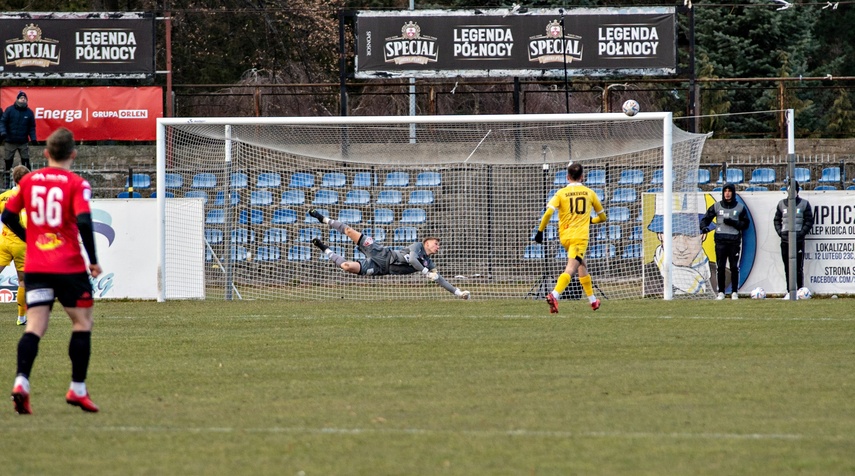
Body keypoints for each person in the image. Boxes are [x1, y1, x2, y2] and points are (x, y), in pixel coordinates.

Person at [2, 127, 102, 415]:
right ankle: (77, 389)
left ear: (45, 154)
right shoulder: (77, 183)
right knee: (82, 323)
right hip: (68, 265)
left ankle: (21, 382)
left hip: (37, 265)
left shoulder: (30, 181)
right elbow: (83, 222)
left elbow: (7, 215)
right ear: (73, 153)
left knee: (35, 326)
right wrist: (93, 260)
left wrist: (27, 236)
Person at [307, 208, 471, 299]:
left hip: (380, 268)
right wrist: (426, 272)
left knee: (346, 266)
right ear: (427, 242)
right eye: (436, 244)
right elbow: (413, 260)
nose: (438, 247)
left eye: (438, 246)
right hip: (380, 252)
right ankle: (322, 218)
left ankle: (323, 248)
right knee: (350, 231)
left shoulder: (429, 263)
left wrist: (458, 292)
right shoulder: (418, 247)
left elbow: (440, 279)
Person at [534, 162, 606, 313]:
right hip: (580, 237)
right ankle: (554, 294)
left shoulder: (560, 193)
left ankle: (593, 301)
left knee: (582, 265)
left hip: (565, 236)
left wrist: (540, 231)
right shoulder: (589, 193)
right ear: (582, 177)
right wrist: (590, 220)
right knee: (571, 268)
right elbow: (603, 217)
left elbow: (547, 213)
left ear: (567, 177)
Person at [699, 183, 750, 300]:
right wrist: (704, 228)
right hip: (720, 241)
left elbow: (745, 224)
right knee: (720, 267)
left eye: (729, 191)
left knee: (733, 267)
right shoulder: (717, 206)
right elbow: (705, 219)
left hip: (734, 241)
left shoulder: (740, 208)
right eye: (725, 191)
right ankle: (721, 291)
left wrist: (733, 222)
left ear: (733, 193)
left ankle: (734, 292)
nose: (727, 193)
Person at [773, 180, 814, 299]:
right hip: (785, 240)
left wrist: (801, 233)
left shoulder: (804, 204)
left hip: (798, 240)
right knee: (787, 267)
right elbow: (776, 220)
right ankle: (789, 291)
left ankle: (801, 290)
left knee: (798, 267)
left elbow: (809, 221)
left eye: (794, 190)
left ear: (798, 191)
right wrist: (780, 232)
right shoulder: (781, 204)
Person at [0, 165, 30, 325]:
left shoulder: (4, 196)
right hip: (21, 244)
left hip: (4, 242)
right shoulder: (29, 197)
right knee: (23, 281)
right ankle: (21, 318)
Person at [0, 91, 36, 189]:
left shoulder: (29, 113)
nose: (23, 99)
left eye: (24, 98)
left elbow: (31, 127)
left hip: (23, 141)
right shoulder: (9, 110)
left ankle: (27, 180)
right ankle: (7, 182)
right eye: (21, 98)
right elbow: (2, 122)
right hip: (10, 141)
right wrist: (3, 132)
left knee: (26, 161)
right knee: (8, 162)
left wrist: (33, 138)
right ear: (17, 99)